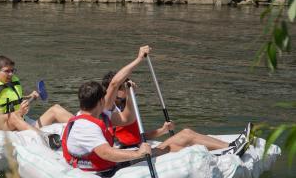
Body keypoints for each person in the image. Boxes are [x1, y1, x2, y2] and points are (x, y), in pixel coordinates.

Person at [101, 70, 251, 157]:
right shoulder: (110, 110)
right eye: (125, 86)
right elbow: (125, 141)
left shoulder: (125, 104)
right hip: (132, 154)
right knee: (183, 145)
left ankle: (231, 146)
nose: (131, 88)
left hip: (139, 146)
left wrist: (162, 130)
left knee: (186, 133)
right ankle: (226, 153)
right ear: (114, 90)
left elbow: (137, 135)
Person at [61, 46, 154, 178]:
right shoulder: (86, 126)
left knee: (164, 149)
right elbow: (106, 153)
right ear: (100, 101)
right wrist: (139, 59)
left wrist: (128, 94)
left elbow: (127, 119)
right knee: (161, 150)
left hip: (107, 166)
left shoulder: (99, 114)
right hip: (99, 173)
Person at [0, 55, 73, 131]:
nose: (11, 74)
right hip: (6, 129)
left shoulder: (10, 82)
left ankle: (84, 126)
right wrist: (19, 112)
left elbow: (11, 99)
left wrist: (29, 97)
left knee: (55, 109)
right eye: (7, 71)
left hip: (22, 123)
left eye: (12, 70)